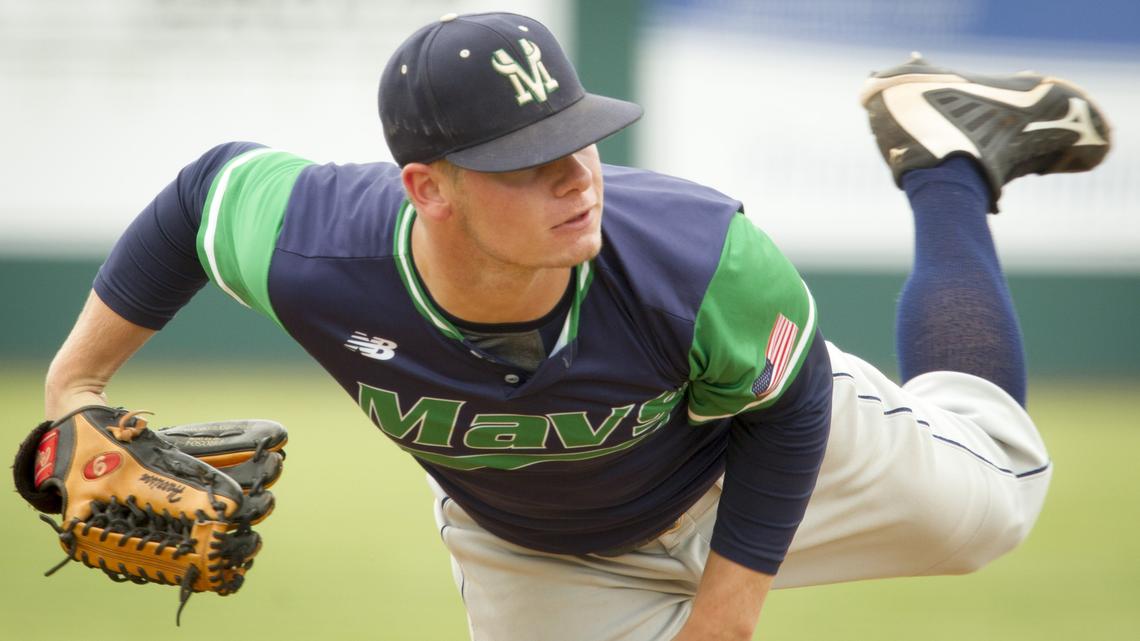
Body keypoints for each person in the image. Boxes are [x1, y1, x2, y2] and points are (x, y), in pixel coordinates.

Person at [40, 12, 1110, 641]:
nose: (578, 177)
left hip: (736, 457)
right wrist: (73, 393)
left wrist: (725, 612)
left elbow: (789, 407)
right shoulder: (317, 244)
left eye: (581, 138)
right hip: (534, 547)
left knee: (999, 502)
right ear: (429, 186)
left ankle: (946, 157)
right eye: (529, 161)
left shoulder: (700, 257)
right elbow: (199, 198)